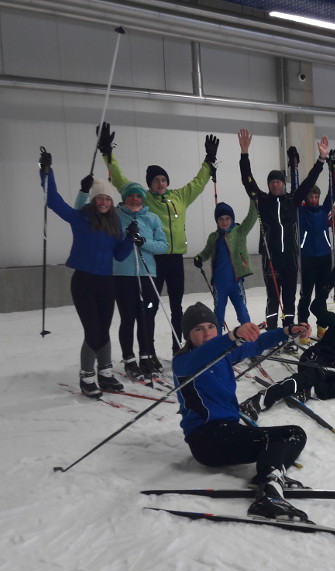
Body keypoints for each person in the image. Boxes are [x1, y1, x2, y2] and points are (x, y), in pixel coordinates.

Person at [173, 302, 311, 521]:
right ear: (188, 335)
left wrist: (286, 331)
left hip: (229, 430)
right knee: (274, 441)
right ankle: (268, 494)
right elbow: (208, 352)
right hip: (206, 439)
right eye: (198, 329)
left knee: (295, 434)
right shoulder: (184, 363)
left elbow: (257, 344)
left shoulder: (224, 354)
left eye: (211, 326)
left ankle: (268, 477)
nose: (207, 333)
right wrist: (232, 336)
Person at [97, 122, 218, 356]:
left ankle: (178, 347)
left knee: (176, 307)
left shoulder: (180, 197)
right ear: (150, 184)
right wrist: (107, 153)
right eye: (155, 180)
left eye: (163, 179)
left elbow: (198, 182)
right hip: (153, 262)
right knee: (149, 307)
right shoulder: (144, 199)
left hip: (175, 261)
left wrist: (209, 161)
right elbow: (120, 179)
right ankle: (147, 349)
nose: (160, 183)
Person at [39, 150, 133, 398]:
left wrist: (131, 239)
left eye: (107, 199)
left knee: (103, 329)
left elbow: (121, 255)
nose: (103, 202)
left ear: (112, 202)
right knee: (93, 330)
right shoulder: (80, 218)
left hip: (106, 282)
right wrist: (46, 170)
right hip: (83, 281)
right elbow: (53, 200)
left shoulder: (116, 225)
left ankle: (105, 374)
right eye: (99, 198)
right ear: (93, 200)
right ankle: (86, 376)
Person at [240, 287, 335, 418]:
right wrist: (326, 288)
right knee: (305, 378)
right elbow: (316, 308)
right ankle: (257, 401)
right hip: (316, 361)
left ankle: (312, 391)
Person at [238, 128, 329, 329]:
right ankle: (272, 329)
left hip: (289, 256)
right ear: (268, 184)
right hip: (270, 257)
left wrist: (321, 159)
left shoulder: (292, 200)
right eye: (272, 182)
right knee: (273, 296)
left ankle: (288, 328)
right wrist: (244, 154)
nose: (275, 185)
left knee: (289, 296)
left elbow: (309, 182)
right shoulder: (262, 200)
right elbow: (247, 180)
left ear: (283, 184)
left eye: (278, 181)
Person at [79, 182, 168, 379]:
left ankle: (146, 355)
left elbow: (164, 245)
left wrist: (144, 243)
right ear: (124, 198)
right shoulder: (115, 216)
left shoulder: (151, 217)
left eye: (138, 196)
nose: (135, 199)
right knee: (128, 318)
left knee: (147, 317)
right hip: (122, 275)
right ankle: (129, 359)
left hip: (147, 275)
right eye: (131, 196)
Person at [193, 199, 258, 332]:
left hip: (235, 282)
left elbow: (252, 217)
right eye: (221, 219)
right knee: (218, 314)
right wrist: (199, 257)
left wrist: (253, 199)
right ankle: (217, 340)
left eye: (227, 218)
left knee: (242, 310)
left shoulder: (239, 232)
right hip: (219, 283)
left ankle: (248, 337)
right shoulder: (213, 237)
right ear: (217, 221)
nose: (224, 222)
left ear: (232, 219)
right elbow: (207, 252)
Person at [297, 185, 334, 335]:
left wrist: (334, 170)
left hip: (325, 257)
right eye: (311, 197)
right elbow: (296, 192)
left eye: (316, 197)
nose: (314, 200)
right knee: (306, 294)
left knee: (322, 294)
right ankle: (303, 326)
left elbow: (333, 193)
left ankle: (321, 325)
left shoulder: (324, 210)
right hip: (307, 257)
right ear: (306, 198)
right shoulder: (301, 211)